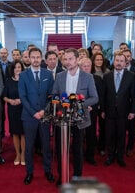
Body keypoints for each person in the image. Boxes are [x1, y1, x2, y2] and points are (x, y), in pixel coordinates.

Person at [52, 48, 98, 185]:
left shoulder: (88, 77)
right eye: (65, 59)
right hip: (62, 118)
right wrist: (60, 103)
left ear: (77, 59)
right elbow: (54, 94)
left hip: (79, 118)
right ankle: (62, 176)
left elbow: (95, 98)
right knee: (61, 149)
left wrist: (79, 103)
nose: (67, 62)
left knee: (77, 149)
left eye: (70, 59)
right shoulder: (59, 76)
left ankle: (77, 177)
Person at [18, 47, 55, 185]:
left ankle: (48, 170)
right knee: (29, 146)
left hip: (45, 115)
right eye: (32, 57)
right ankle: (29, 172)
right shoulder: (23, 75)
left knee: (46, 145)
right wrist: (34, 112)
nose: (35, 60)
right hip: (29, 116)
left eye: (37, 57)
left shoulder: (48, 74)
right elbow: (23, 97)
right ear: (28, 58)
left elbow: (51, 95)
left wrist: (44, 111)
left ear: (41, 58)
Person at [101, 52, 135, 167]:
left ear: (125, 63)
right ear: (114, 61)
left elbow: (133, 96)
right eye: (117, 60)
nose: (119, 63)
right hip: (109, 111)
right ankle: (110, 156)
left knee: (121, 135)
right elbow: (103, 96)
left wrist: (132, 111)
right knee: (109, 135)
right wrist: (102, 110)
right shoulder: (107, 76)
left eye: (121, 61)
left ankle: (120, 157)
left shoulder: (131, 76)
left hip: (124, 112)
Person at [79, 57, 103, 166]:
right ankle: (78, 154)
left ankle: (90, 155)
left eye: (88, 66)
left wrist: (92, 105)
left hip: (92, 109)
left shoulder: (97, 79)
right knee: (78, 132)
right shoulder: (76, 78)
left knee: (91, 133)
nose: (86, 68)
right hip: (78, 109)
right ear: (80, 67)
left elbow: (100, 96)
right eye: (84, 66)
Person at [4, 61, 25, 166]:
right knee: (15, 133)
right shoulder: (8, 81)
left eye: (19, 67)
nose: (18, 69)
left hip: (24, 109)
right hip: (12, 110)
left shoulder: (26, 80)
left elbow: (29, 94)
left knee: (23, 133)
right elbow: (4, 96)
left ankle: (23, 155)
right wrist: (10, 101)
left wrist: (21, 100)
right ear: (12, 69)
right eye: (15, 67)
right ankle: (17, 154)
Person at [122, 49, 135, 157]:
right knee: (120, 127)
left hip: (131, 103)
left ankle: (130, 147)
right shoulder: (115, 69)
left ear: (131, 57)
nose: (126, 59)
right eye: (124, 56)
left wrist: (133, 107)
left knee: (131, 127)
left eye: (128, 56)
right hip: (119, 105)